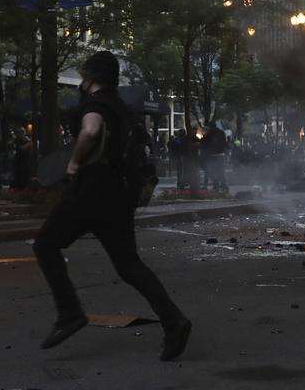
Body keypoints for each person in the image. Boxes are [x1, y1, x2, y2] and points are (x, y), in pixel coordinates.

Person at [32, 50, 192, 361]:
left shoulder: (95, 104)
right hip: (120, 196)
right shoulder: (121, 107)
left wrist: (75, 162)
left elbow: (90, 130)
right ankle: (174, 321)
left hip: (91, 192)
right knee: (129, 266)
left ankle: (70, 313)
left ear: (90, 77)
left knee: (45, 245)